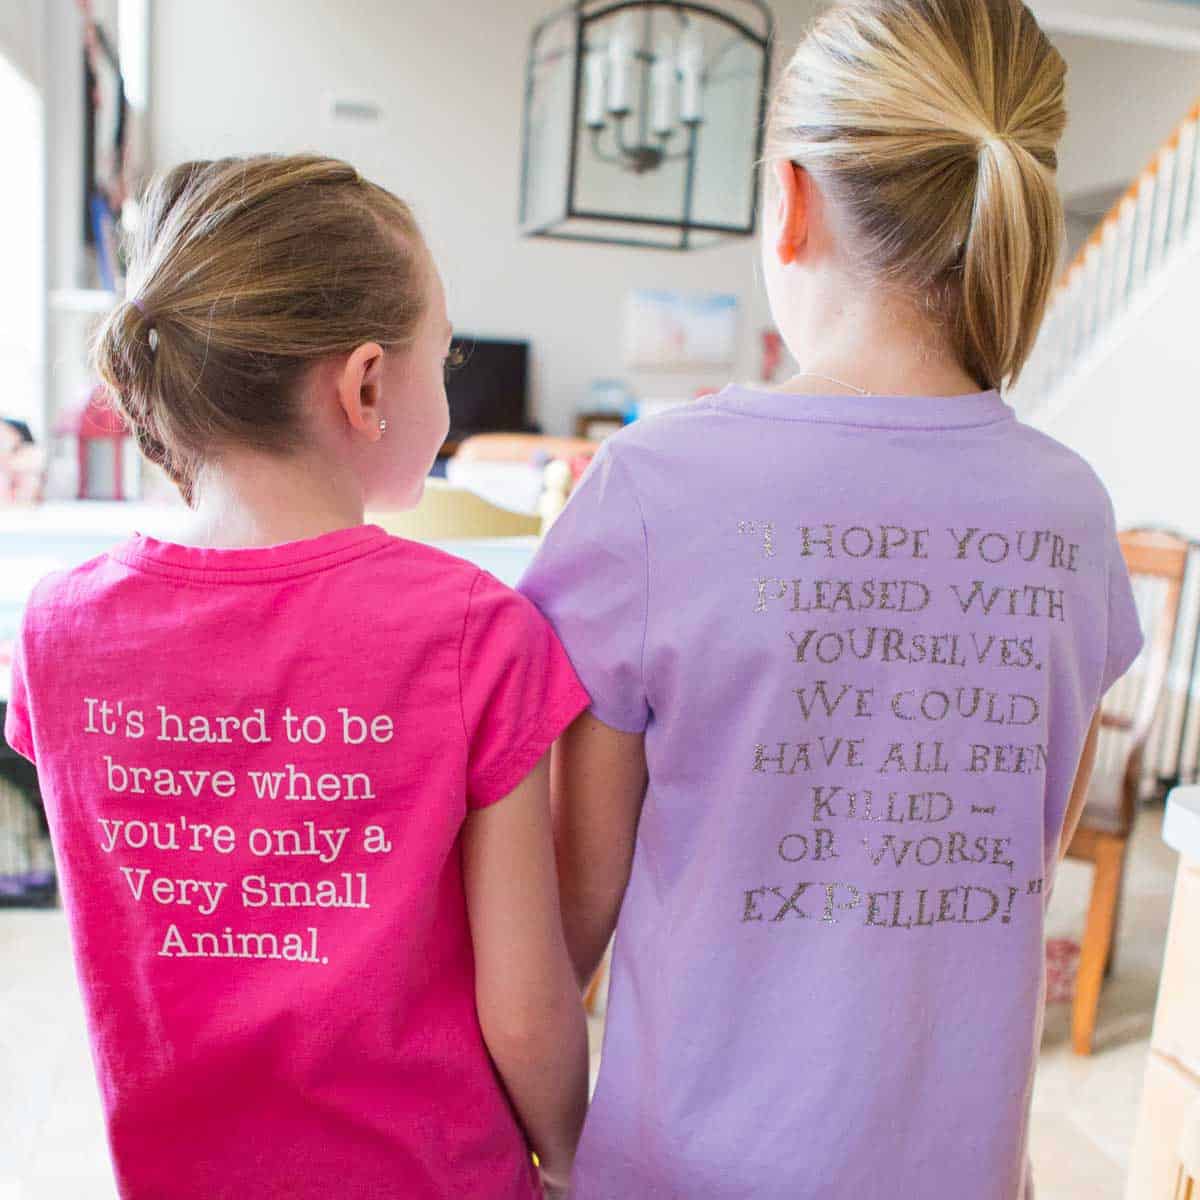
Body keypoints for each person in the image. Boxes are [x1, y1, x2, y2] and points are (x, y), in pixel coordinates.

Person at [520, 2, 1143, 1196]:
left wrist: (543, 1140)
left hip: (687, 1171)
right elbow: (1024, 855)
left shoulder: (655, 485)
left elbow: (567, 910)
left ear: (792, 201)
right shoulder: (1071, 510)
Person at [6, 155, 589, 1200]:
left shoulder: (56, 632)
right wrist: (572, 1155)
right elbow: (526, 1005)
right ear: (366, 384)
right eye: (442, 363)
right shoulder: (474, 633)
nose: (446, 395)